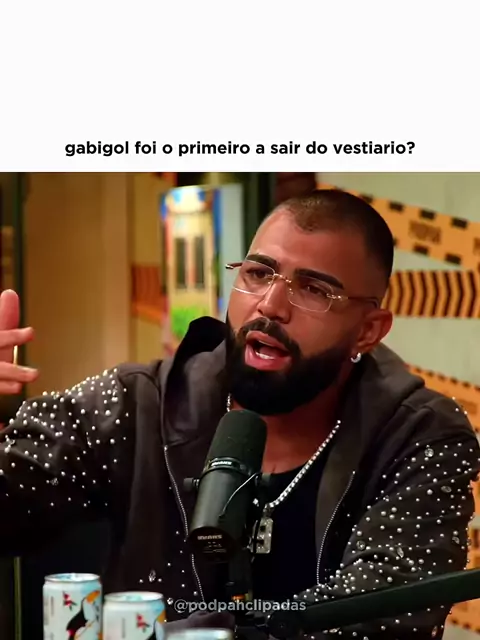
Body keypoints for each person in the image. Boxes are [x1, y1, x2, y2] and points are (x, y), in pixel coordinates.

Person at [0, 189, 479, 640]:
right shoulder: (136, 403)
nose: (270, 306)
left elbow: (378, 617)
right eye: (258, 274)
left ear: (368, 330)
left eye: (314, 289)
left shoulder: (420, 435)